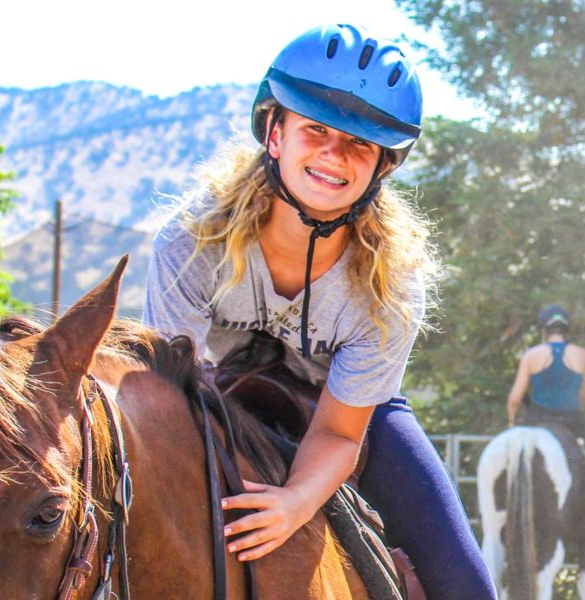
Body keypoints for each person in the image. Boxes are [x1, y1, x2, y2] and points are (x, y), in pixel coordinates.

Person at [144, 23, 495, 599]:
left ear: (383, 164)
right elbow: (168, 391)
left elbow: (337, 429)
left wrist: (293, 503)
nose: (335, 155)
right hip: (210, 397)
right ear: (274, 134)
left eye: (360, 143)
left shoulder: (394, 282)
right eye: (315, 130)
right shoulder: (191, 240)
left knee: (467, 586)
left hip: (355, 414)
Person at [506, 305, 585, 530]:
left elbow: (514, 399)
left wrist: (512, 423)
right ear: (567, 330)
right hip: (571, 420)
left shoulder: (532, 355)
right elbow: (583, 396)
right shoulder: (583, 355)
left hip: (536, 422)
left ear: (543, 331)